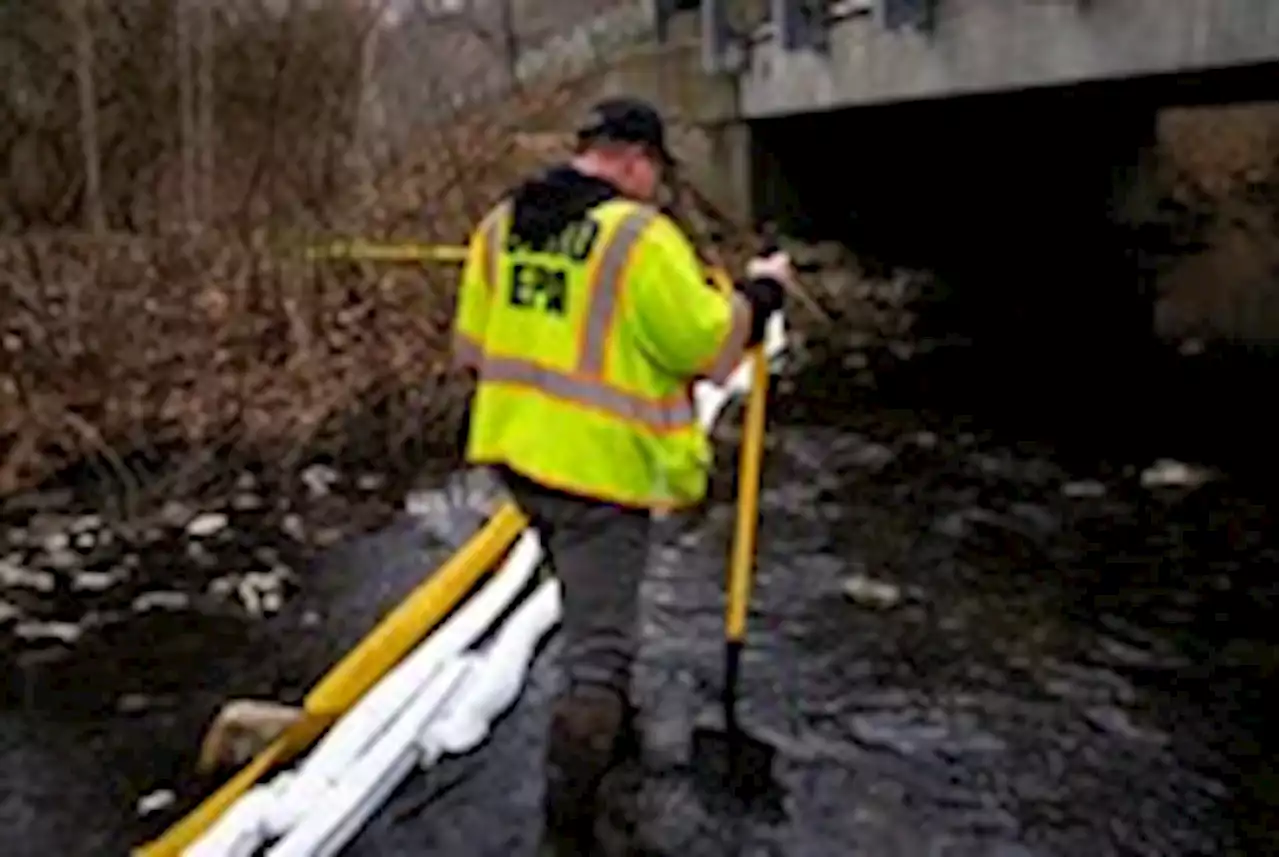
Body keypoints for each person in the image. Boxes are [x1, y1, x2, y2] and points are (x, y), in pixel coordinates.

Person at [450, 96, 794, 850]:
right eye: (655, 173)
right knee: (597, 658)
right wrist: (761, 294)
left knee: (588, 604)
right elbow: (707, 348)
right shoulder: (640, 237)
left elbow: (474, 350)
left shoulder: (501, 222)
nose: (654, 187)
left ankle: (617, 739)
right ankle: (567, 829)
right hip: (599, 477)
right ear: (637, 161)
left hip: (518, 458)